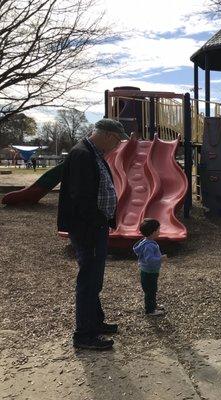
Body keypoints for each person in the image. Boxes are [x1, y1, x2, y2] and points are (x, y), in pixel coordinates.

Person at [57, 118, 129, 350]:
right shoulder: (83, 155)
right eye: (118, 140)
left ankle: (95, 322)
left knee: (94, 277)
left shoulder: (92, 152)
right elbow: (81, 197)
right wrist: (99, 220)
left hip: (94, 226)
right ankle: (84, 334)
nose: (118, 145)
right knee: (89, 279)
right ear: (108, 135)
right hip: (88, 228)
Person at [133, 219, 166, 316]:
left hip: (148, 271)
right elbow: (150, 260)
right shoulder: (149, 246)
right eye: (158, 230)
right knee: (150, 291)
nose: (159, 232)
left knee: (152, 290)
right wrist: (161, 258)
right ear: (153, 232)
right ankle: (150, 310)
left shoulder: (145, 241)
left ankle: (153, 305)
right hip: (149, 272)